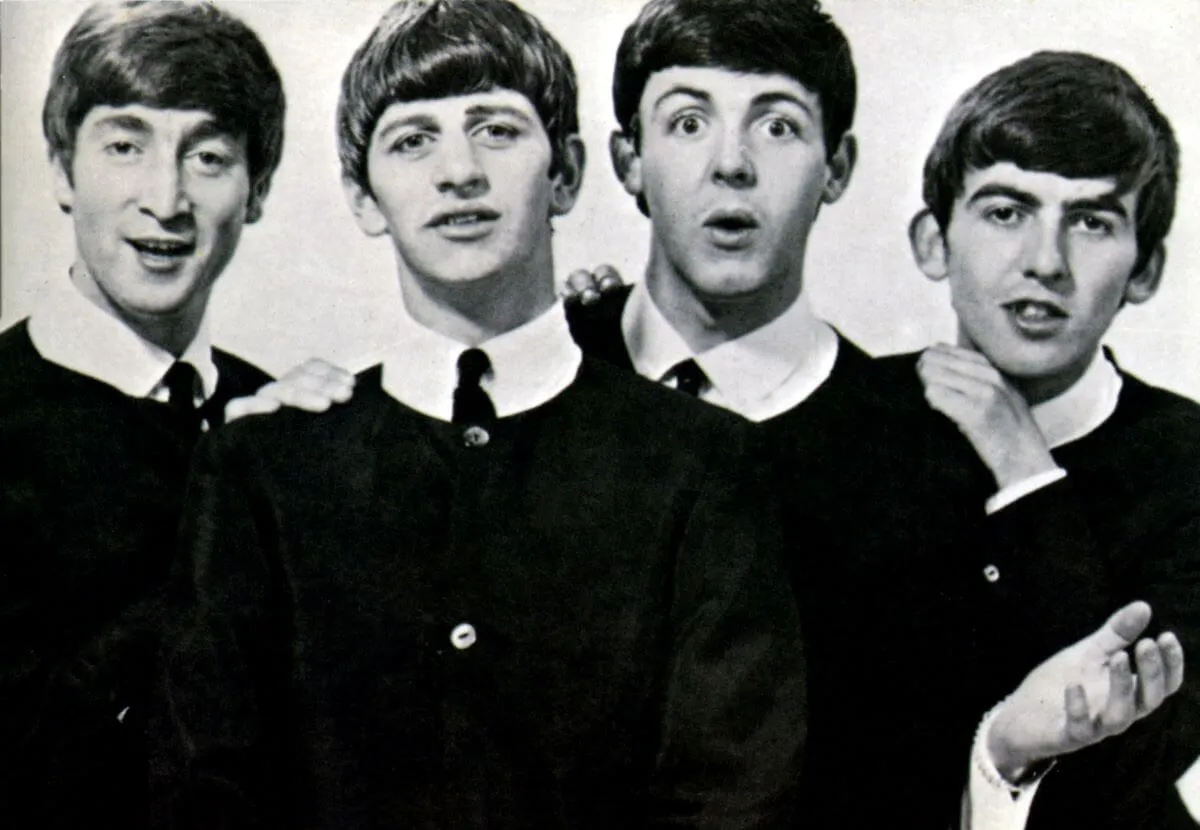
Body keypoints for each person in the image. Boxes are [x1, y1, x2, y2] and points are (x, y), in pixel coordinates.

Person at [151, 1, 805, 826]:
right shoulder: (264, 467)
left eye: (495, 130)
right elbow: (206, 795)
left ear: (564, 172)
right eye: (412, 139)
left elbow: (733, 797)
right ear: (362, 197)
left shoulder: (701, 464)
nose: (458, 171)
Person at [562, 1, 1186, 827]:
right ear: (625, 160)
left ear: (838, 168)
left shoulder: (937, 455)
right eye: (686, 122)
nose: (732, 165)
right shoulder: (542, 369)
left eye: (779, 127)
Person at [0, 3, 350, 826]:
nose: (166, 198)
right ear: (60, 168)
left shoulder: (274, 419)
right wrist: (223, 506)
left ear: (257, 189)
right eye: (125, 146)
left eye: (209, 156)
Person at [894, 50, 1198, 829]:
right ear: (934, 241)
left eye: (1092, 221)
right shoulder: (843, 421)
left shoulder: (1188, 464)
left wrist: (1025, 468)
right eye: (1005, 212)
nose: (1045, 263)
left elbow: (1133, 765)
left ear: (1145, 270)